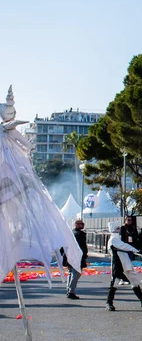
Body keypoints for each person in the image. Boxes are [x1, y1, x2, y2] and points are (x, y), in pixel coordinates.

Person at [0, 85, 82, 285]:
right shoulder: (7, 134)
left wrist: (26, 147)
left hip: (11, 173)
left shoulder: (8, 134)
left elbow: (25, 144)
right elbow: (25, 145)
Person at [105, 221, 142, 311]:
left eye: (119, 228)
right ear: (113, 230)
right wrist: (136, 250)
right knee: (115, 282)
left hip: (126, 263)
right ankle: (109, 303)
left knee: (134, 281)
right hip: (118, 264)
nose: (119, 230)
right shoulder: (113, 240)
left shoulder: (118, 239)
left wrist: (135, 250)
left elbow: (125, 246)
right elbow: (124, 246)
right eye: (117, 228)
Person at [65, 220, 88, 299]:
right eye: (81, 224)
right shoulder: (80, 234)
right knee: (76, 274)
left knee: (71, 273)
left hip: (69, 256)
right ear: (76, 224)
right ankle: (71, 291)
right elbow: (82, 246)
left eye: (83, 224)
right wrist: (84, 255)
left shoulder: (70, 233)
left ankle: (69, 290)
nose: (82, 225)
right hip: (77, 257)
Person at [119, 215, 138, 285]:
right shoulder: (123, 228)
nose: (130, 221)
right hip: (124, 247)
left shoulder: (133, 228)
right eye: (128, 220)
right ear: (125, 220)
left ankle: (128, 277)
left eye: (130, 220)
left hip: (131, 247)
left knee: (129, 263)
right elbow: (121, 237)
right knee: (124, 263)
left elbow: (136, 237)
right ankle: (123, 278)